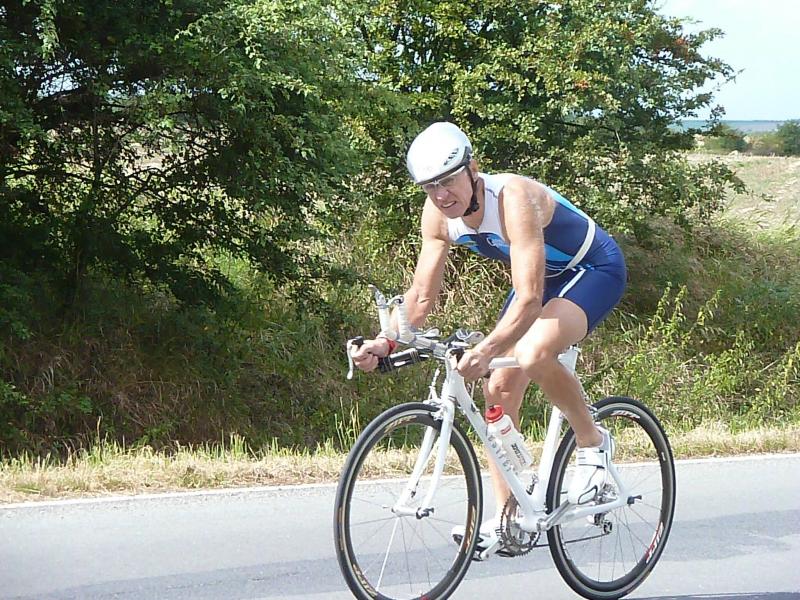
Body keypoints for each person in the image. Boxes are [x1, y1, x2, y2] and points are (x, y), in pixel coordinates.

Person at [351, 121, 627, 556]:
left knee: (533, 353)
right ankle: (510, 518)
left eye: (448, 180)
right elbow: (420, 297)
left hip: (592, 270)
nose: (441, 195)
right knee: (497, 388)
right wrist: (385, 342)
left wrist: (486, 349)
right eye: (429, 186)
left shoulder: (511, 198)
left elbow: (529, 298)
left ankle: (593, 444)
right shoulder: (437, 216)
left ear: (473, 169)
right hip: (542, 280)